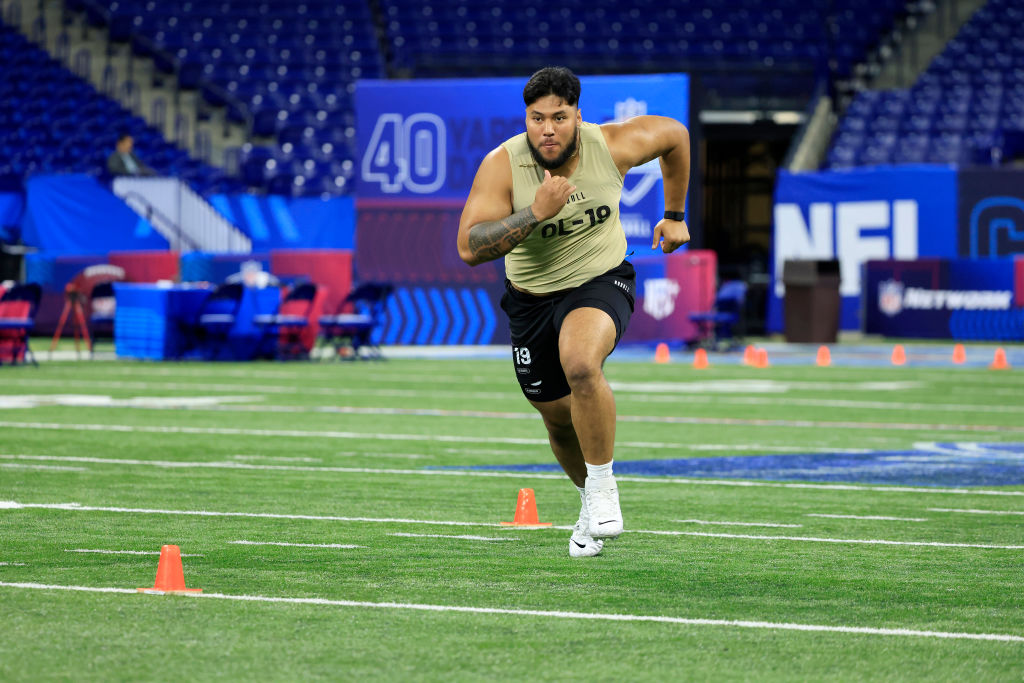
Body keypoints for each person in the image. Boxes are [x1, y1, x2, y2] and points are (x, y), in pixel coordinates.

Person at [457, 67, 690, 557]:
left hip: (600, 278)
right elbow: (470, 247)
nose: (547, 129)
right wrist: (536, 212)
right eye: (537, 118)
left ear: (577, 116)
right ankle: (587, 499)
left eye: (558, 117)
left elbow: (676, 137)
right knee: (557, 421)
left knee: (581, 362)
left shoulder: (612, 145)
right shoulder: (504, 164)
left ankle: (605, 488)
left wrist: (674, 216)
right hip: (530, 299)